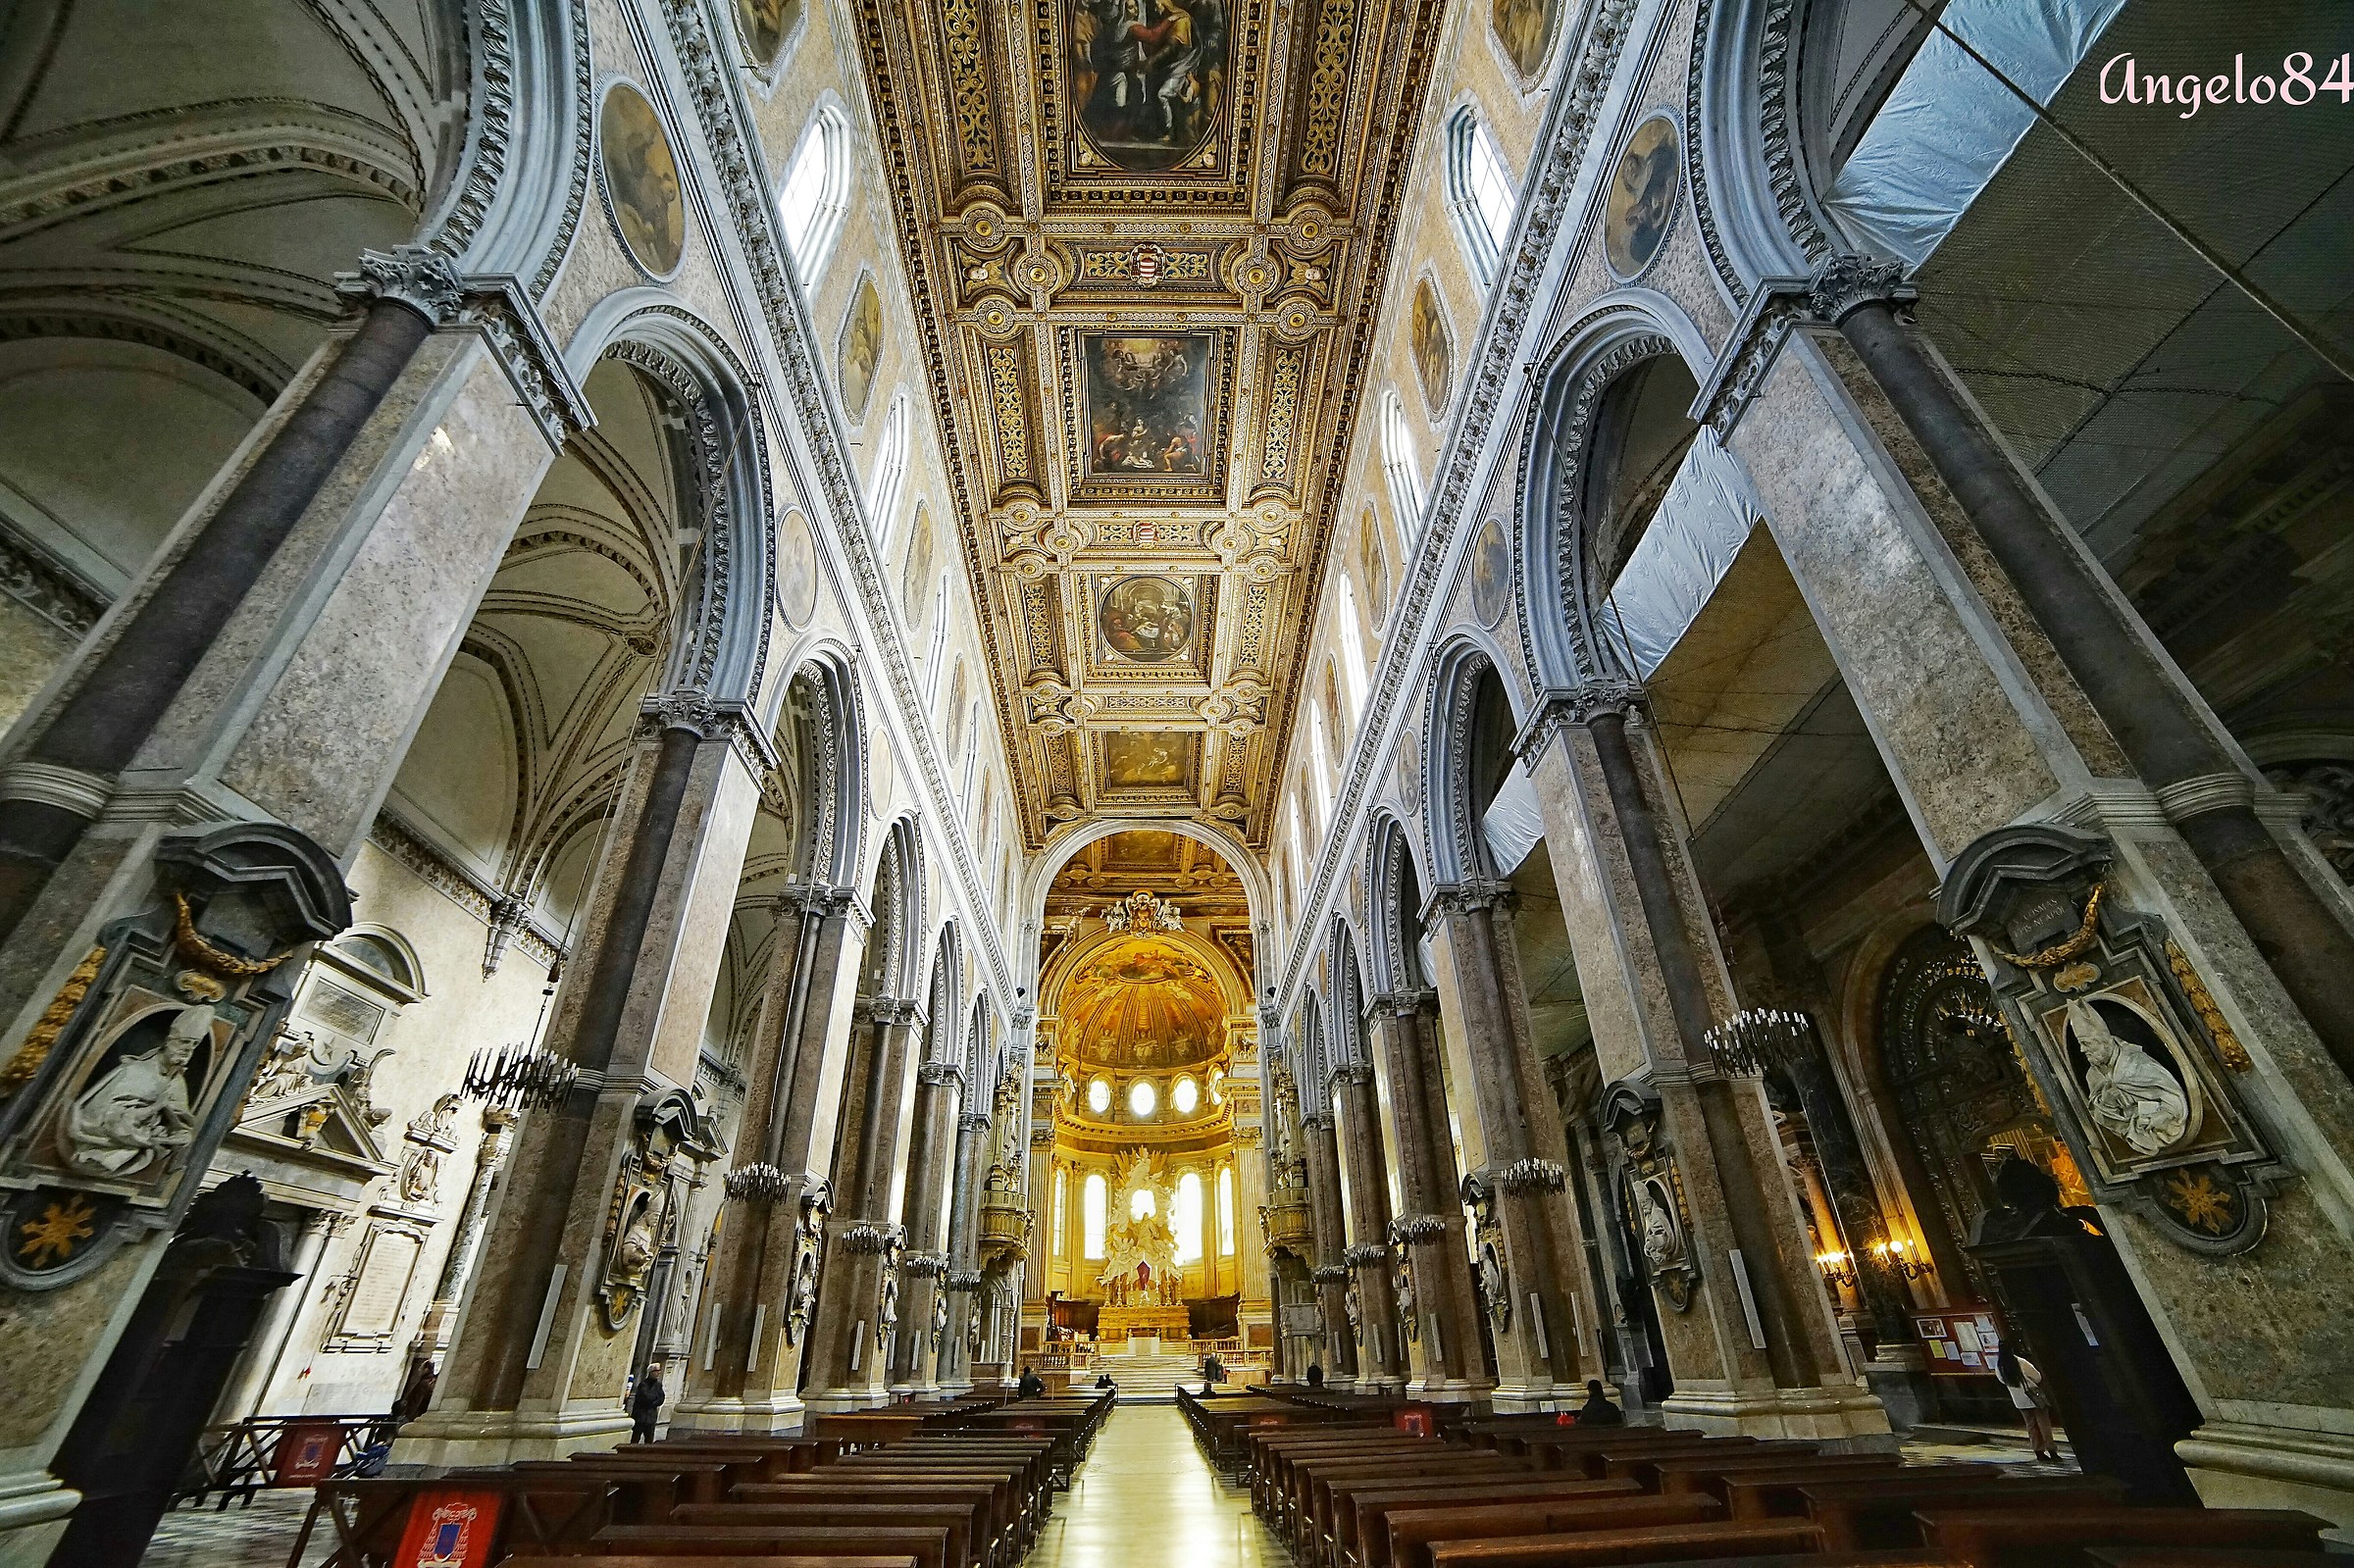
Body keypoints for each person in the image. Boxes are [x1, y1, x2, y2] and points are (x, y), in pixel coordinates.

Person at [1997, 1344, 2061, 1461]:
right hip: (2034, 1398)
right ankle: (2052, 1450)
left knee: (2030, 1425)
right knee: (2044, 1424)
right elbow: (2037, 1376)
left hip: (2019, 1400)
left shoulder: (2000, 1366)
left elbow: (2002, 1381)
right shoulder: (2020, 1362)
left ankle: (2038, 1451)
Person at [628, 1361, 666, 1444]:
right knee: (635, 1439)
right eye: (656, 1371)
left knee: (649, 1440)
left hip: (651, 1417)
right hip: (640, 1416)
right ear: (651, 1372)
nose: (658, 1373)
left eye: (659, 1371)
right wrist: (654, 1399)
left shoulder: (658, 1385)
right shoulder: (643, 1384)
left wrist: (654, 1401)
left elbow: (661, 1398)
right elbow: (647, 1398)